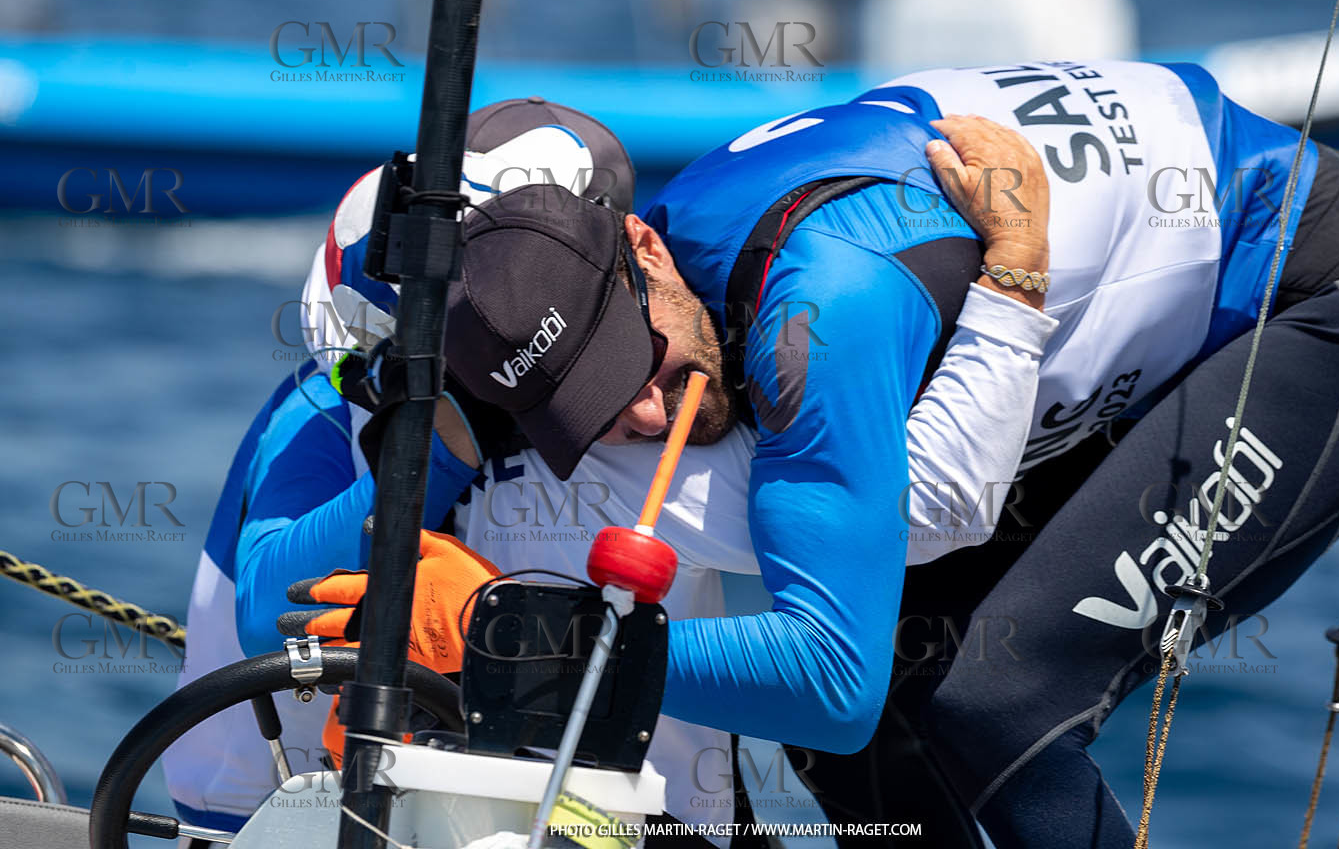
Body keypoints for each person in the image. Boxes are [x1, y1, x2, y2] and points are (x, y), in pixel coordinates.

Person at [293, 60, 1339, 848]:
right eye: (591, 414)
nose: (645, 420)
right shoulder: (641, 290)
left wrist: (508, 634)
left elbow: (831, 675)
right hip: (1112, 335)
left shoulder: (824, 307)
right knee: (885, 727)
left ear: (645, 251)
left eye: (639, 374)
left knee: (990, 696)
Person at [162, 98, 1052, 847]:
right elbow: (269, 610)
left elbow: (870, 571)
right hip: (270, 815)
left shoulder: (660, 363)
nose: (633, 413)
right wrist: (445, 441)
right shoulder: (333, 401)